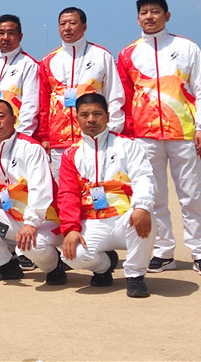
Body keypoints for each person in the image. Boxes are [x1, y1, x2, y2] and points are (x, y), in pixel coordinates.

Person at [118, 0, 201, 276]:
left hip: (184, 135)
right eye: (144, 12)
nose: (149, 17)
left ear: (167, 16)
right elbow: (123, 97)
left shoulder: (187, 48)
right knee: (154, 196)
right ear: (138, 18)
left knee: (192, 196)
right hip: (144, 136)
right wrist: (127, 134)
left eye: (155, 11)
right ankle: (163, 252)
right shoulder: (128, 54)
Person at [58, 94, 156, 298]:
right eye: (84, 115)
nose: (91, 119)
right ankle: (104, 267)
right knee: (71, 255)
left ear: (108, 116)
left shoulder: (128, 145)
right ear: (77, 118)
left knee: (147, 216)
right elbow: (67, 194)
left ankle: (135, 276)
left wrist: (142, 207)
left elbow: (143, 177)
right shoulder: (70, 154)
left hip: (124, 219)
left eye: (97, 114)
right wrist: (71, 229)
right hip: (92, 222)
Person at [0, 99, 66, 284]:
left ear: (13, 119)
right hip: (15, 220)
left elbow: (40, 190)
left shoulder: (31, 148)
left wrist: (31, 223)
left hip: (47, 221)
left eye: (1, 116)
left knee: (32, 245)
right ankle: (4, 265)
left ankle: (54, 267)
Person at [37, 8, 125, 180]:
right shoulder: (48, 61)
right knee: (64, 187)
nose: (67, 28)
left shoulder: (101, 56)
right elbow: (43, 102)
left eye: (72, 23)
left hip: (94, 136)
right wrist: (44, 136)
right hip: (60, 141)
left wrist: (113, 131)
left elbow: (115, 96)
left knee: (96, 183)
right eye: (62, 24)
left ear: (84, 26)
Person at [0, 14, 40, 138]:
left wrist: (20, 138)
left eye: (11, 33)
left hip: (19, 136)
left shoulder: (29, 65)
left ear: (20, 36)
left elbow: (31, 106)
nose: (5, 37)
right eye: (1, 33)